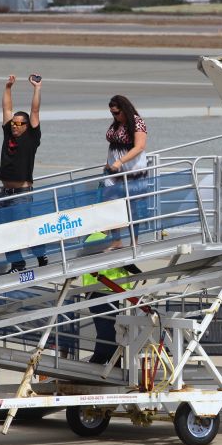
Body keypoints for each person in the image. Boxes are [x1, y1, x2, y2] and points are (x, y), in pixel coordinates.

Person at [0, 74, 48, 274]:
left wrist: (37, 88)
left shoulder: (32, 137)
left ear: (27, 126)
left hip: (21, 193)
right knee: (5, 230)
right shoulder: (8, 133)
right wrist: (8, 87)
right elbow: (6, 109)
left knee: (23, 228)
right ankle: (17, 265)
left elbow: (34, 110)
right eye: (14, 123)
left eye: (19, 123)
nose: (15, 126)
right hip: (5, 192)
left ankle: (40, 254)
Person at [81, 231, 142, 365]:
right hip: (103, 289)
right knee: (107, 331)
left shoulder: (93, 238)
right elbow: (122, 260)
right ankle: (104, 362)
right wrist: (138, 273)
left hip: (103, 289)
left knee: (108, 330)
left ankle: (108, 362)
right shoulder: (101, 239)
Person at [103, 95, 148, 251]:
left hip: (131, 170)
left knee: (132, 206)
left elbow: (140, 146)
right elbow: (114, 146)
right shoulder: (117, 124)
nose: (114, 116)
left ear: (124, 109)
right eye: (112, 113)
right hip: (113, 171)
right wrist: (109, 163)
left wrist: (120, 161)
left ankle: (134, 241)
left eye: (116, 113)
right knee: (111, 204)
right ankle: (116, 241)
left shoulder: (136, 122)